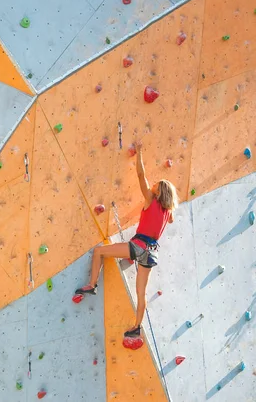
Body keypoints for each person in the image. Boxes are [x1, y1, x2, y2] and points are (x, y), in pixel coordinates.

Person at [74, 140, 178, 338]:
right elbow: (170, 218)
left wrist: (139, 152)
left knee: (99, 251)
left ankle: (92, 285)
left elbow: (141, 175)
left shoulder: (151, 200)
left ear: (158, 190)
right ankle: (136, 327)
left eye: (155, 185)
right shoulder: (167, 212)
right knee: (141, 293)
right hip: (150, 254)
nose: (152, 185)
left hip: (138, 246)